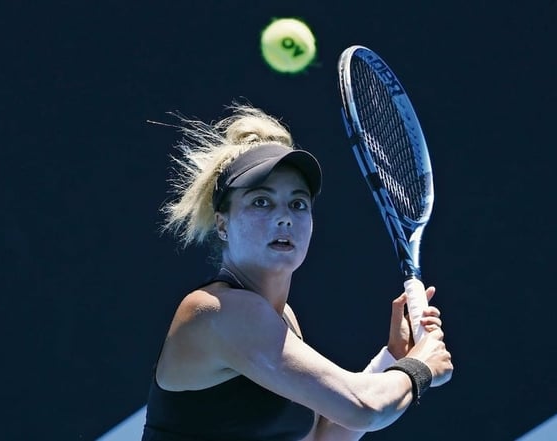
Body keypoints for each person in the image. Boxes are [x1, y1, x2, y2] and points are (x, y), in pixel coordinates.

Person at [142, 103, 453, 441]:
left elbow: (321, 436)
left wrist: (394, 357)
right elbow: (363, 407)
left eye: (298, 203)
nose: (284, 217)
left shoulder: (282, 318)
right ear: (222, 224)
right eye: (261, 201)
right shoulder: (217, 312)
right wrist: (419, 367)